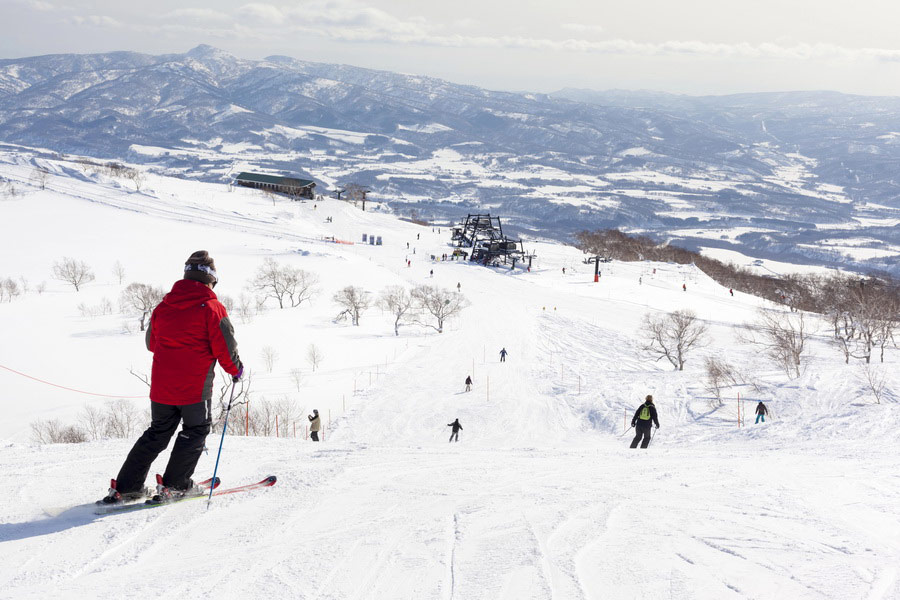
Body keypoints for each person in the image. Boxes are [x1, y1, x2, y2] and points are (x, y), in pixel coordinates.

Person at [100, 251, 242, 505]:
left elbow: (152, 344)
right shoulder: (212, 308)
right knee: (196, 430)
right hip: (195, 388)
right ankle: (176, 485)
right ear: (210, 281)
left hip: (162, 388)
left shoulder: (163, 307)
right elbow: (224, 347)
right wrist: (236, 369)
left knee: (157, 433)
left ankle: (127, 487)